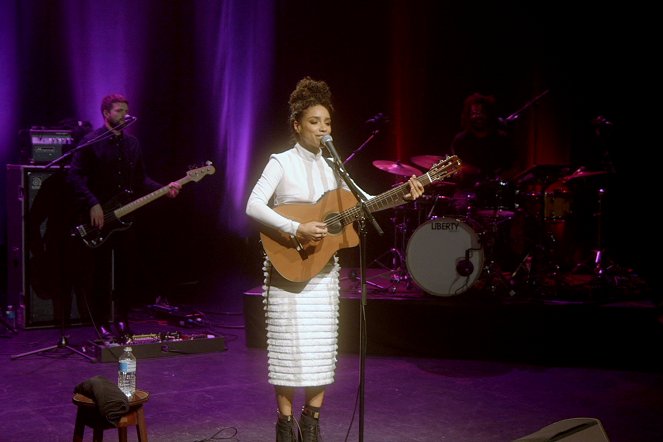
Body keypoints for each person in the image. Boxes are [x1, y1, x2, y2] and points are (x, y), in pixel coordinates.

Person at [245, 77, 424, 441]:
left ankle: (312, 423)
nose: (323, 129)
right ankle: (284, 424)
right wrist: (296, 227)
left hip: (324, 273)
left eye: (327, 122)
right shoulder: (280, 162)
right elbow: (253, 205)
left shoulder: (333, 168)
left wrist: (404, 195)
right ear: (297, 125)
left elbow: (363, 204)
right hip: (288, 269)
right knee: (288, 349)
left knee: (320, 350)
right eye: (314, 122)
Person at [67, 93, 181, 340]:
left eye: (125, 111)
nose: (123, 115)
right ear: (106, 113)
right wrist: (93, 203)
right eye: (118, 111)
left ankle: (122, 319)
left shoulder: (132, 144)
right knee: (100, 273)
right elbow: (74, 176)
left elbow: (141, 179)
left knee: (125, 271)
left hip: (125, 218)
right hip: (99, 218)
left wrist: (165, 187)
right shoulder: (91, 142)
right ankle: (101, 320)